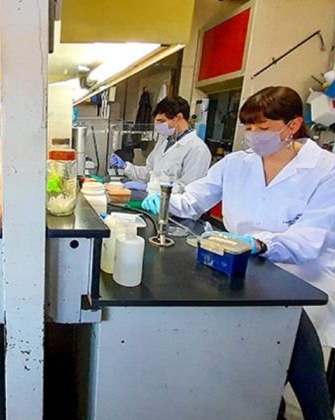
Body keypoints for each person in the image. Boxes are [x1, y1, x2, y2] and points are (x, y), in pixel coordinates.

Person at [143, 86, 335, 419]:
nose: (254, 134)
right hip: (245, 273)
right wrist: (163, 202)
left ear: (293, 125)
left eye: (264, 127)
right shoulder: (236, 164)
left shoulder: (325, 170)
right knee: (258, 373)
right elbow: (193, 200)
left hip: (303, 281)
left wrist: (258, 243)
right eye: (248, 127)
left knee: (297, 371)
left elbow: (309, 239)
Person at [110, 95, 211, 193]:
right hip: (153, 200)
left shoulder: (197, 149)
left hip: (171, 204)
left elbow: (187, 189)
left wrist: (148, 187)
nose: (158, 126)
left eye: (162, 121)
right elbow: (149, 172)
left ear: (179, 117)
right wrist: (125, 167)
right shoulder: (164, 142)